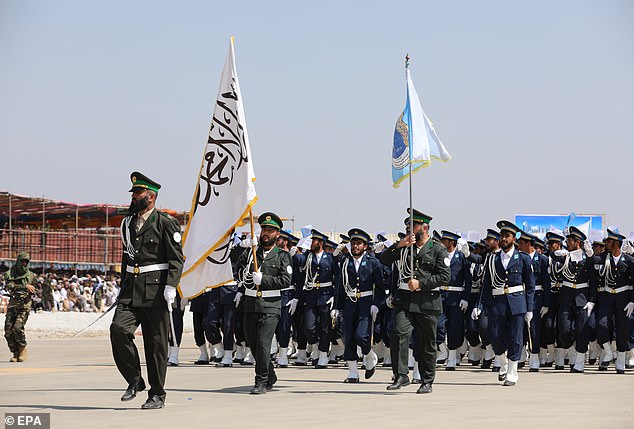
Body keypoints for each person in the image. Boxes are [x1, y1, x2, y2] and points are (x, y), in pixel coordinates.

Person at [109, 172, 184, 409]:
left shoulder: (165, 223)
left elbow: (176, 259)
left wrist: (171, 285)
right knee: (118, 330)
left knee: (156, 347)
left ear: (151, 197)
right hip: (131, 292)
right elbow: (126, 257)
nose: (134, 197)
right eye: (134, 193)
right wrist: (123, 286)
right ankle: (134, 380)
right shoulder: (128, 224)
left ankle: (157, 394)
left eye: (138, 193)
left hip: (156, 292)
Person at [380, 209, 450, 394]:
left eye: (413, 225)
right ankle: (401, 374)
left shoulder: (437, 249)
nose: (409, 228)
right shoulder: (405, 247)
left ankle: (427, 380)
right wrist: (399, 244)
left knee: (427, 343)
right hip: (404, 300)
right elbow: (384, 259)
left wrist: (421, 283)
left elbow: (445, 276)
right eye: (407, 226)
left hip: (428, 302)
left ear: (425, 227)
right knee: (398, 333)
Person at [234, 212, 292, 394]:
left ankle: (261, 381)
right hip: (251, 303)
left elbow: (285, 281)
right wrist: (242, 246)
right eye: (263, 229)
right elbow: (234, 261)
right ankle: (270, 373)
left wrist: (264, 279)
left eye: (270, 230)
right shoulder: (252, 253)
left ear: (277, 234)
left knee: (263, 343)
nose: (265, 233)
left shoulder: (282, 256)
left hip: (271, 305)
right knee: (253, 343)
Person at [476, 220, 534, 386]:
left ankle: (512, 373)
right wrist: (479, 305)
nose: (504, 239)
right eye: (502, 236)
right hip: (497, 302)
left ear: (514, 239)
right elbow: (486, 284)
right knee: (494, 335)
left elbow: (530, 286)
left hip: (517, 303)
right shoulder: (492, 259)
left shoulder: (522, 258)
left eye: (507, 236)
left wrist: (529, 309)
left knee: (515, 338)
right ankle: (502, 361)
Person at [332, 228, 386, 382]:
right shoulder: (345, 262)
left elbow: (380, 288)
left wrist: (376, 304)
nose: (355, 246)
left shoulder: (373, 263)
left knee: (361, 336)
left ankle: (369, 354)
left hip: (365, 304)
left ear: (365, 246)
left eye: (359, 243)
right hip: (349, 304)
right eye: (353, 243)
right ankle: (353, 372)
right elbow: (340, 286)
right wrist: (336, 307)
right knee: (348, 337)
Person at [551, 226, 596, 373]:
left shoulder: (587, 257)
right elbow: (552, 255)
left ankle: (580, 361)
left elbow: (594, 279)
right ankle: (571, 352)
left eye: (569, 240)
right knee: (563, 329)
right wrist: (557, 252)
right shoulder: (565, 256)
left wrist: (592, 300)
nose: (566, 243)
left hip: (582, 297)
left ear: (577, 241)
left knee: (582, 331)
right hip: (566, 296)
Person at [595, 229, 634, 373]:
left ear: (616, 243)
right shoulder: (605, 257)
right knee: (601, 324)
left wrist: (632, 301)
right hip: (607, 297)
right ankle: (609, 352)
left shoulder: (629, 261)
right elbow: (593, 261)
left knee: (622, 330)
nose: (606, 244)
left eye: (609, 241)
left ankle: (620, 360)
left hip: (623, 298)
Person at [4, 252, 37, 362]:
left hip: (25, 305)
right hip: (13, 304)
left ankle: (22, 349)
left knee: (17, 327)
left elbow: (35, 289)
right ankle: (15, 353)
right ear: (18, 262)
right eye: (22, 261)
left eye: (26, 262)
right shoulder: (10, 274)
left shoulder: (32, 276)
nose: (24, 264)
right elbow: (9, 286)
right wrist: (24, 287)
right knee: (8, 330)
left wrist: (31, 291)